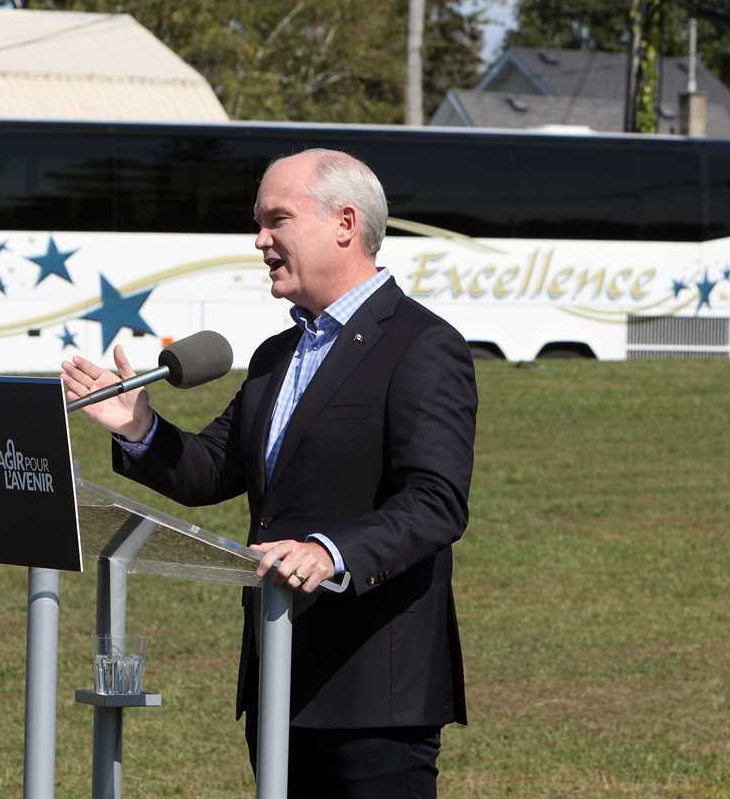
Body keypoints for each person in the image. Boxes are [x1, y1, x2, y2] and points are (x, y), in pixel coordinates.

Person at [61, 149, 477, 798]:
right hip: (279, 676)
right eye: (258, 223)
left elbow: (435, 501)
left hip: (374, 691)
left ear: (345, 222)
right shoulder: (276, 355)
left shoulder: (422, 346)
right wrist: (139, 428)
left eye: (275, 219)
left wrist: (330, 551)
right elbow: (208, 471)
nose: (259, 240)